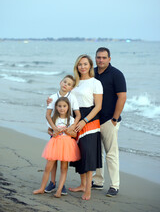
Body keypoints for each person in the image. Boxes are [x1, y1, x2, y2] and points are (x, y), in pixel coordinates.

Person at [92, 47, 127, 197]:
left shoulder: (116, 74)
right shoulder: (91, 73)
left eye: (104, 57)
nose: (101, 60)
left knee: (111, 154)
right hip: (93, 119)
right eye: (98, 57)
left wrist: (114, 118)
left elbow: (122, 97)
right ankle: (98, 181)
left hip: (109, 120)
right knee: (96, 152)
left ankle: (114, 185)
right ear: (95, 58)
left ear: (109, 59)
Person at [69, 54, 103, 201]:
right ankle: (82, 185)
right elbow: (66, 97)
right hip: (75, 119)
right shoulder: (74, 82)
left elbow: (98, 106)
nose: (82, 67)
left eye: (85, 64)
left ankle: (88, 189)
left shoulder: (95, 83)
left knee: (88, 155)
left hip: (90, 120)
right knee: (79, 154)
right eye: (80, 64)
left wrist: (85, 120)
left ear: (90, 65)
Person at [33, 97, 81, 198]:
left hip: (66, 145)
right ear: (56, 107)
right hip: (54, 144)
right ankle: (42, 188)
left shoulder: (71, 120)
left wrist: (68, 131)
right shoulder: (54, 119)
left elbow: (74, 134)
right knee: (47, 167)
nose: (62, 108)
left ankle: (59, 190)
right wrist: (53, 133)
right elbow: (49, 130)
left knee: (64, 168)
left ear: (68, 107)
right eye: (59, 106)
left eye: (64, 106)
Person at [45, 75, 81, 195]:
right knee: (53, 159)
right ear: (60, 82)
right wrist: (53, 128)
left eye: (69, 84)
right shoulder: (52, 97)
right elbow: (48, 115)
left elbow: (78, 115)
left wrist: (72, 126)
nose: (66, 84)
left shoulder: (72, 98)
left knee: (63, 159)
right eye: (65, 82)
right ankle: (52, 182)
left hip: (66, 134)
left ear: (71, 88)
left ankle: (62, 184)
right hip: (56, 132)